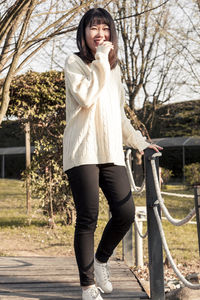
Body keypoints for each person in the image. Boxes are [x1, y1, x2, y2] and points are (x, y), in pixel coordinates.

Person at [63, 7, 162, 300]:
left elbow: (118, 115)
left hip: (110, 152)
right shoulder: (75, 63)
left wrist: (140, 142)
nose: (100, 34)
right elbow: (86, 97)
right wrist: (101, 62)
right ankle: (87, 286)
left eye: (105, 29)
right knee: (88, 217)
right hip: (83, 151)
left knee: (125, 212)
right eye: (94, 29)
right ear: (84, 33)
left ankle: (101, 261)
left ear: (111, 34)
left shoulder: (114, 68)